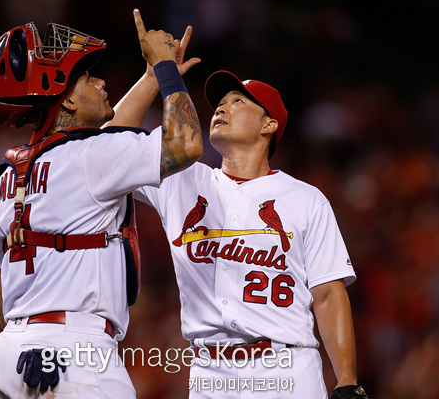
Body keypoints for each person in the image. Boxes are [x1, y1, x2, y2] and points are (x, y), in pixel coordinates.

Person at [0, 9, 203, 399]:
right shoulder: (91, 159)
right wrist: (165, 70)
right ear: (66, 101)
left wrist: (150, 78)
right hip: (75, 354)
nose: (100, 81)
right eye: (86, 77)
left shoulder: (2, 180)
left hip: (11, 354)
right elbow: (186, 145)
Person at [120, 69, 369, 398]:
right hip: (210, 371)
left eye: (237, 101)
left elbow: (327, 294)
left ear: (269, 125)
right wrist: (156, 75)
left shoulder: (305, 199)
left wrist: (347, 379)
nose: (222, 108)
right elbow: (112, 146)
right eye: (220, 104)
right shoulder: (182, 179)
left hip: (286, 367)